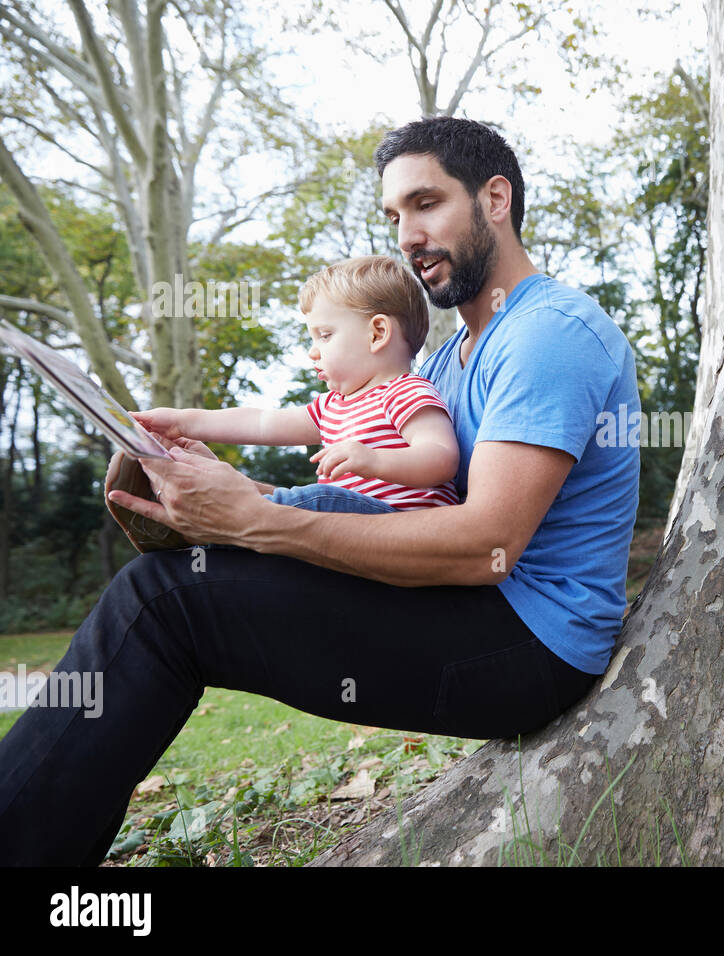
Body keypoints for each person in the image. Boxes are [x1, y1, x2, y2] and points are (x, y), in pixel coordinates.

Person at [0, 116, 641, 865]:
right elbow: (381, 506)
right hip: (470, 609)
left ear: (494, 198)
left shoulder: (548, 334)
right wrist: (231, 496)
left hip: (528, 644)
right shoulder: (443, 365)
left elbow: (486, 547)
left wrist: (257, 522)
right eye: (395, 216)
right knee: (167, 590)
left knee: (164, 604)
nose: (408, 234)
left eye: (426, 203)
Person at [131, 255, 460, 520]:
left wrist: (372, 460)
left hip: (401, 524)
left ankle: (223, 518)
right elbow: (261, 422)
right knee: (304, 502)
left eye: (325, 335)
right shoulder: (332, 407)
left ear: (377, 333)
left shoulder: (407, 392)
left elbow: (442, 458)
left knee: (311, 499)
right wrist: (181, 421)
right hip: (350, 526)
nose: (313, 351)